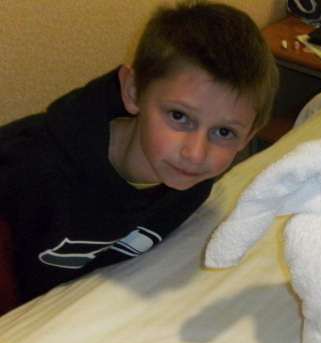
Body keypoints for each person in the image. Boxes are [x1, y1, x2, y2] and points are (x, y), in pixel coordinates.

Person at [0, 1, 279, 304]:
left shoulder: (189, 180)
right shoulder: (29, 168)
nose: (196, 154)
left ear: (247, 137)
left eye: (224, 132)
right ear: (133, 91)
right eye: (179, 116)